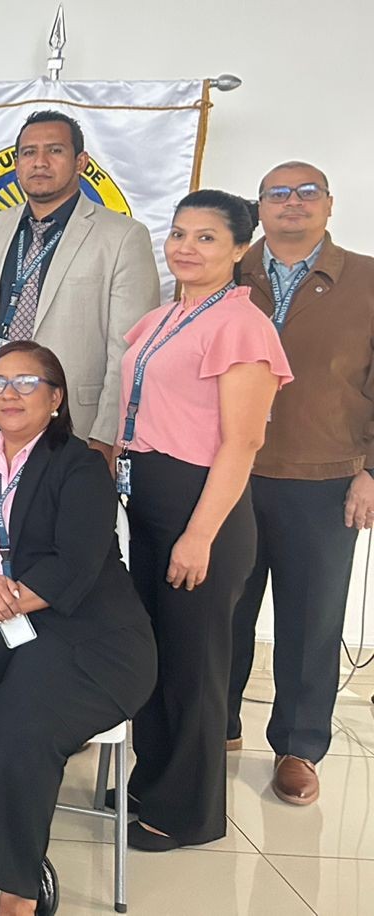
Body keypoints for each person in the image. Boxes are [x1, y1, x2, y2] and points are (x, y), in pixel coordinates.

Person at [0, 341, 156, 916]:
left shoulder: (80, 465)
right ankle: (4, 815)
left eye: (26, 383)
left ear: (55, 397)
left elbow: (74, 565)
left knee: (24, 719)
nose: (9, 394)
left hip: (83, 624)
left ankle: (16, 890)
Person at [117, 191, 291, 851]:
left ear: (241, 248)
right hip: (148, 502)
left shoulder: (243, 326)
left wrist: (198, 534)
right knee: (153, 655)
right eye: (179, 233)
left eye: (208, 237)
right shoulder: (165, 316)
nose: (187, 248)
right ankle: (152, 782)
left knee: (194, 665)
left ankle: (186, 813)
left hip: (201, 508)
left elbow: (242, 443)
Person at [227, 162, 374, 808]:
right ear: (259, 207)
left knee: (311, 620)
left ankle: (298, 746)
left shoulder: (366, 280)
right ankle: (215, 724)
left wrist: (372, 471)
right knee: (219, 610)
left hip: (324, 478)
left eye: (307, 191)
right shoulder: (227, 271)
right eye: (278, 193)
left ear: (330, 204)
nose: (293, 202)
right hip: (227, 474)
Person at [0, 110, 161, 461]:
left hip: (76, 423)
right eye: (29, 152)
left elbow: (128, 350)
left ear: (81, 162)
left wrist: (106, 435)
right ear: (17, 163)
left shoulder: (122, 237)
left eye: (55, 151)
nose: (40, 162)